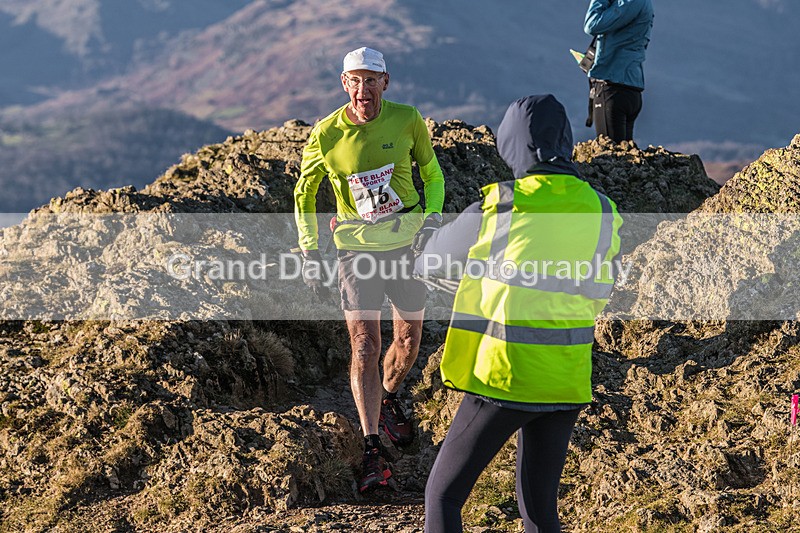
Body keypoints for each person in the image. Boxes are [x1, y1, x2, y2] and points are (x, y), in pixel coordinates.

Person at [416, 95, 622, 532]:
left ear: (511, 144)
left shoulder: (500, 207)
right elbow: (600, 289)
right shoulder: (603, 210)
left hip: (503, 377)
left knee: (444, 495)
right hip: (566, 378)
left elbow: (429, 264)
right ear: (565, 142)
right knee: (540, 513)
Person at [294, 46, 445, 493]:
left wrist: (431, 219)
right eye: (355, 81)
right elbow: (305, 193)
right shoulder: (325, 134)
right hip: (355, 249)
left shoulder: (407, 119)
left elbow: (432, 174)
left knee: (408, 341)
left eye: (371, 80)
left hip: (407, 244)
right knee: (364, 345)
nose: (363, 90)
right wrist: (308, 248)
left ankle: (390, 398)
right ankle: (372, 448)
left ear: (386, 82)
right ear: (345, 85)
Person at [584, 0, 654, 143]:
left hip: (612, 88)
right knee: (625, 159)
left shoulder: (629, 2)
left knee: (611, 157)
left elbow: (592, 25)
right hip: (630, 88)